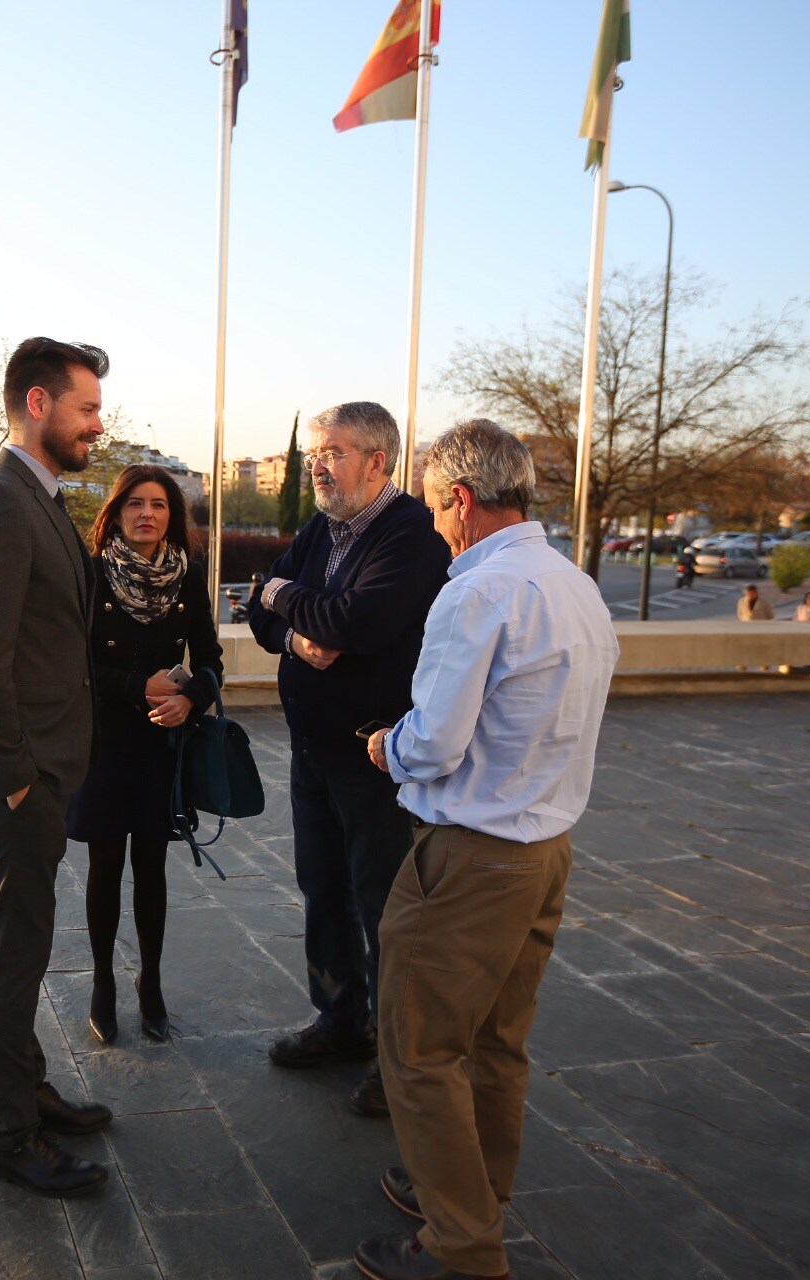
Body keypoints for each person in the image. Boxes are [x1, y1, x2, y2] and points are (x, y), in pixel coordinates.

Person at [358, 419, 618, 1280]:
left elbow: (434, 743)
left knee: (420, 1049)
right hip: (545, 848)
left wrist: (387, 745)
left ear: (462, 502)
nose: (435, 525)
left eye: (435, 508)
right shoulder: (574, 584)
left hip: (472, 856)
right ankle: (473, 1189)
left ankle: (462, 1246)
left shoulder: (477, 592)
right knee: (500, 1041)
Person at [0, 336, 115, 1198]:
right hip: (14, 776)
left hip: (42, 765)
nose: (97, 424)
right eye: (86, 408)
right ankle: (8, 1135)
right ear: (38, 404)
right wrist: (16, 782)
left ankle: (27, 1089)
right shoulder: (0, 503)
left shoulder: (38, 495)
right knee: (15, 957)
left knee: (30, 946)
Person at [244, 401, 448, 1115]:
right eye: (316, 453)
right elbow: (260, 609)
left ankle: (401, 1062)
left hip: (375, 759)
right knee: (323, 888)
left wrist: (283, 598)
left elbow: (356, 623)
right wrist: (294, 631)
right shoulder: (321, 529)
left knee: (385, 908)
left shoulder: (411, 537)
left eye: (333, 450)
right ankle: (340, 1021)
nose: (318, 463)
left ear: (379, 461)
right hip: (314, 751)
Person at [66, 465, 222, 1045]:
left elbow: (210, 659)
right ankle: (103, 983)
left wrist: (190, 700)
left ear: (171, 515)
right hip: (104, 741)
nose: (147, 514)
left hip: (161, 743)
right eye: (135, 503)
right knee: (105, 867)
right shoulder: (91, 575)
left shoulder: (188, 575)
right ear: (116, 511)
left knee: (152, 869)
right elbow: (74, 663)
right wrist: (140, 686)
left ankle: (150, 983)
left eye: (158, 504)